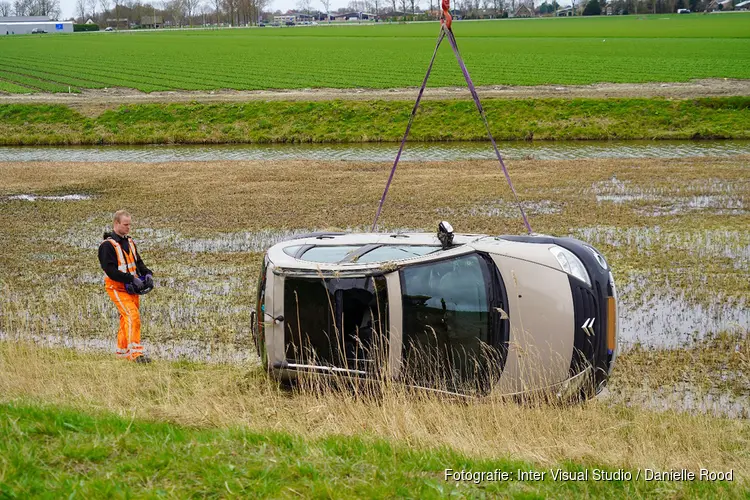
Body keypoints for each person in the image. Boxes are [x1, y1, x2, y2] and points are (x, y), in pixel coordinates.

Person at [98, 210, 154, 363]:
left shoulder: (129, 242)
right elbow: (110, 271)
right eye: (125, 225)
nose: (129, 228)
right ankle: (136, 355)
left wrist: (147, 274)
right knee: (132, 316)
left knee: (126, 319)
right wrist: (130, 278)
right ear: (116, 224)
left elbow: (138, 263)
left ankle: (122, 353)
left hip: (131, 288)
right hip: (116, 288)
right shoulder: (107, 246)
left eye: (130, 224)